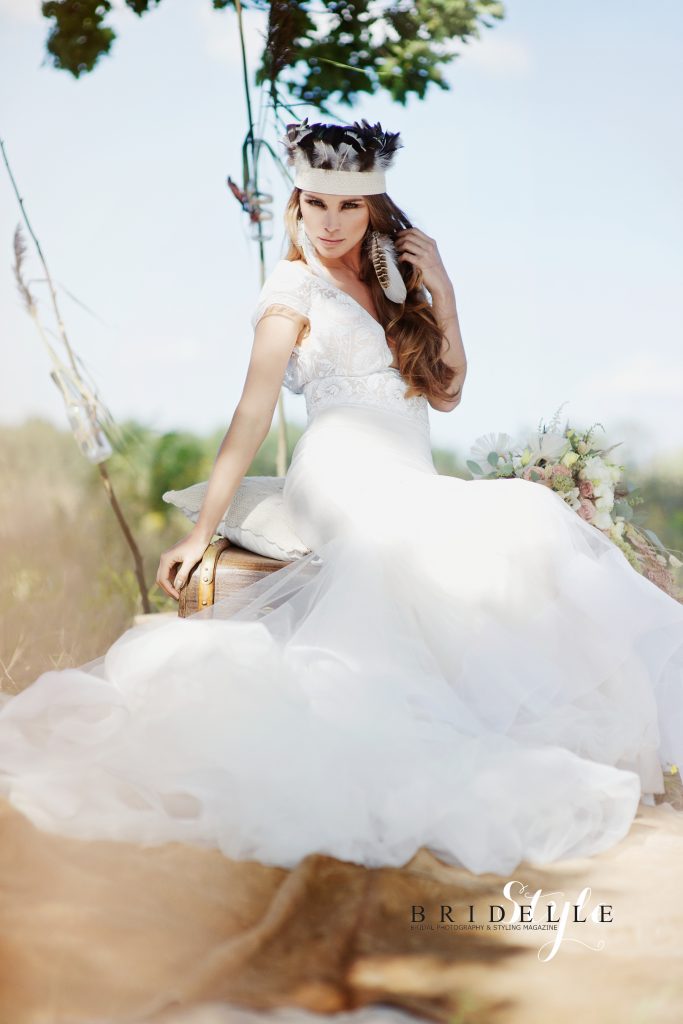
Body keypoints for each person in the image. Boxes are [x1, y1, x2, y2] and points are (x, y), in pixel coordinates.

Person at [1, 118, 682, 878]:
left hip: (409, 471)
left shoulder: (395, 286)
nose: (329, 224)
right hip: (340, 467)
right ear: (298, 204)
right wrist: (202, 530)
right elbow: (252, 413)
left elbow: (446, 395)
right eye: (315, 204)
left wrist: (443, 292)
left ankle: (511, 733)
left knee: (523, 518)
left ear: (374, 208)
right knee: (419, 543)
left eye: (348, 206)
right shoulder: (292, 287)